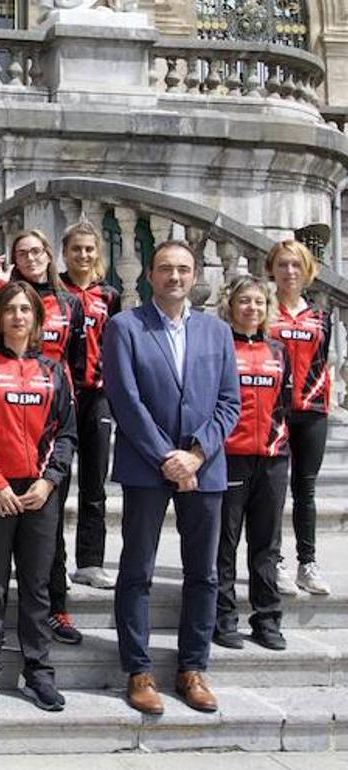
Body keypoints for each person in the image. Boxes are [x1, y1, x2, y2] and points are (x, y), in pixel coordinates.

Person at [103, 239, 240, 716]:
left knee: (203, 573)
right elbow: (126, 400)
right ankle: (139, 669)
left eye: (183, 269)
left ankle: (192, 669)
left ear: (195, 274)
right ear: (149, 274)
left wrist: (197, 455)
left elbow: (229, 403)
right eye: (166, 269)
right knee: (137, 570)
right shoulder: (124, 327)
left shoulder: (217, 333)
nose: (175, 277)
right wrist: (168, 456)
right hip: (147, 465)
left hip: (206, 468)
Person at [0, 281, 77, 713]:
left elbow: (66, 434)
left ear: (37, 318)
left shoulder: (55, 370)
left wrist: (48, 482)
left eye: (26, 309)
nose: (18, 317)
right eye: (10, 309)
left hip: (41, 492)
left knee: (37, 586)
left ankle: (38, 673)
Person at [0, 229, 87, 644]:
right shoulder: (5, 299)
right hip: (8, 414)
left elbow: (79, 363)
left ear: (48, 255)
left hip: (52, 417)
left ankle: (56, 608)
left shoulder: (71, 303)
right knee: (0, 557)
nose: (31, 257)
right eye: (23, 253)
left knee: (49, 532)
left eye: (37, 250)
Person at [214, 275, 290, 652]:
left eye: (259, 302)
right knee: (224, 543)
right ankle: (223, 618)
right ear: (231, 305)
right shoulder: (220, 347)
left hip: (273, 458)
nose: (252, 308)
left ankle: (267, 619)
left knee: (266, 545)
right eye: (245, 301)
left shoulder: (278, 350)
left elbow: (285, 402)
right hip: (230, 457)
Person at [58, 221, 122, 592]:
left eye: (89, 249)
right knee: (58, 479)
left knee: (94, 482)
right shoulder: (54, 291)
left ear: (97, 253)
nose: (83, 255)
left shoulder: (109, 295)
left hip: (97, 394)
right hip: (61, 395)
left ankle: (91, 561)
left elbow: (116, 344)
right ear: (64, 253)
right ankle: (53, 559)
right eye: (76, 249)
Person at [267, 239, 333, 595]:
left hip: (312, 412)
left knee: (304, 490)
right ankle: (274, 561)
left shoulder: (322, 318)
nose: (289, 271)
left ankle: (307, 562)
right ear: (271, 270)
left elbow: (324, 363)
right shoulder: (263, 311)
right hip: (272, 411)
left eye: (296, 265)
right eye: (283, 264)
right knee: (273, 491)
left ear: (307, 271)